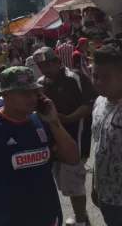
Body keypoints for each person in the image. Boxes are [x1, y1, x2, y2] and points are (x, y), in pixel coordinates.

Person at [0, 66, 80, 226]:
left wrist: (55, 122)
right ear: (5, 94)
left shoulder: (42, 122)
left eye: (34, 92)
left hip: (48, 218)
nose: (31, 98)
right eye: (23, 93)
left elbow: (73, 158)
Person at [34, 46, 97, 226]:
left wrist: (68, 118)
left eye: (46, 65)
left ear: (57, 62)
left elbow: (89, 104)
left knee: (73, 182)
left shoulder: (75, 77)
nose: (44, 69)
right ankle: (82, 216)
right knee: (64, 183)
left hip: (77, 136)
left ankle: (80, 221)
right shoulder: (41, 83)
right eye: (40, 66)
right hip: (54, 140)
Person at [90, 44, 122, 226]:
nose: (99, 82)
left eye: (106, 77)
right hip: (106, 196)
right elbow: (98, 145)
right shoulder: (99, 102)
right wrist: (95, 185)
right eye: (95, 76)